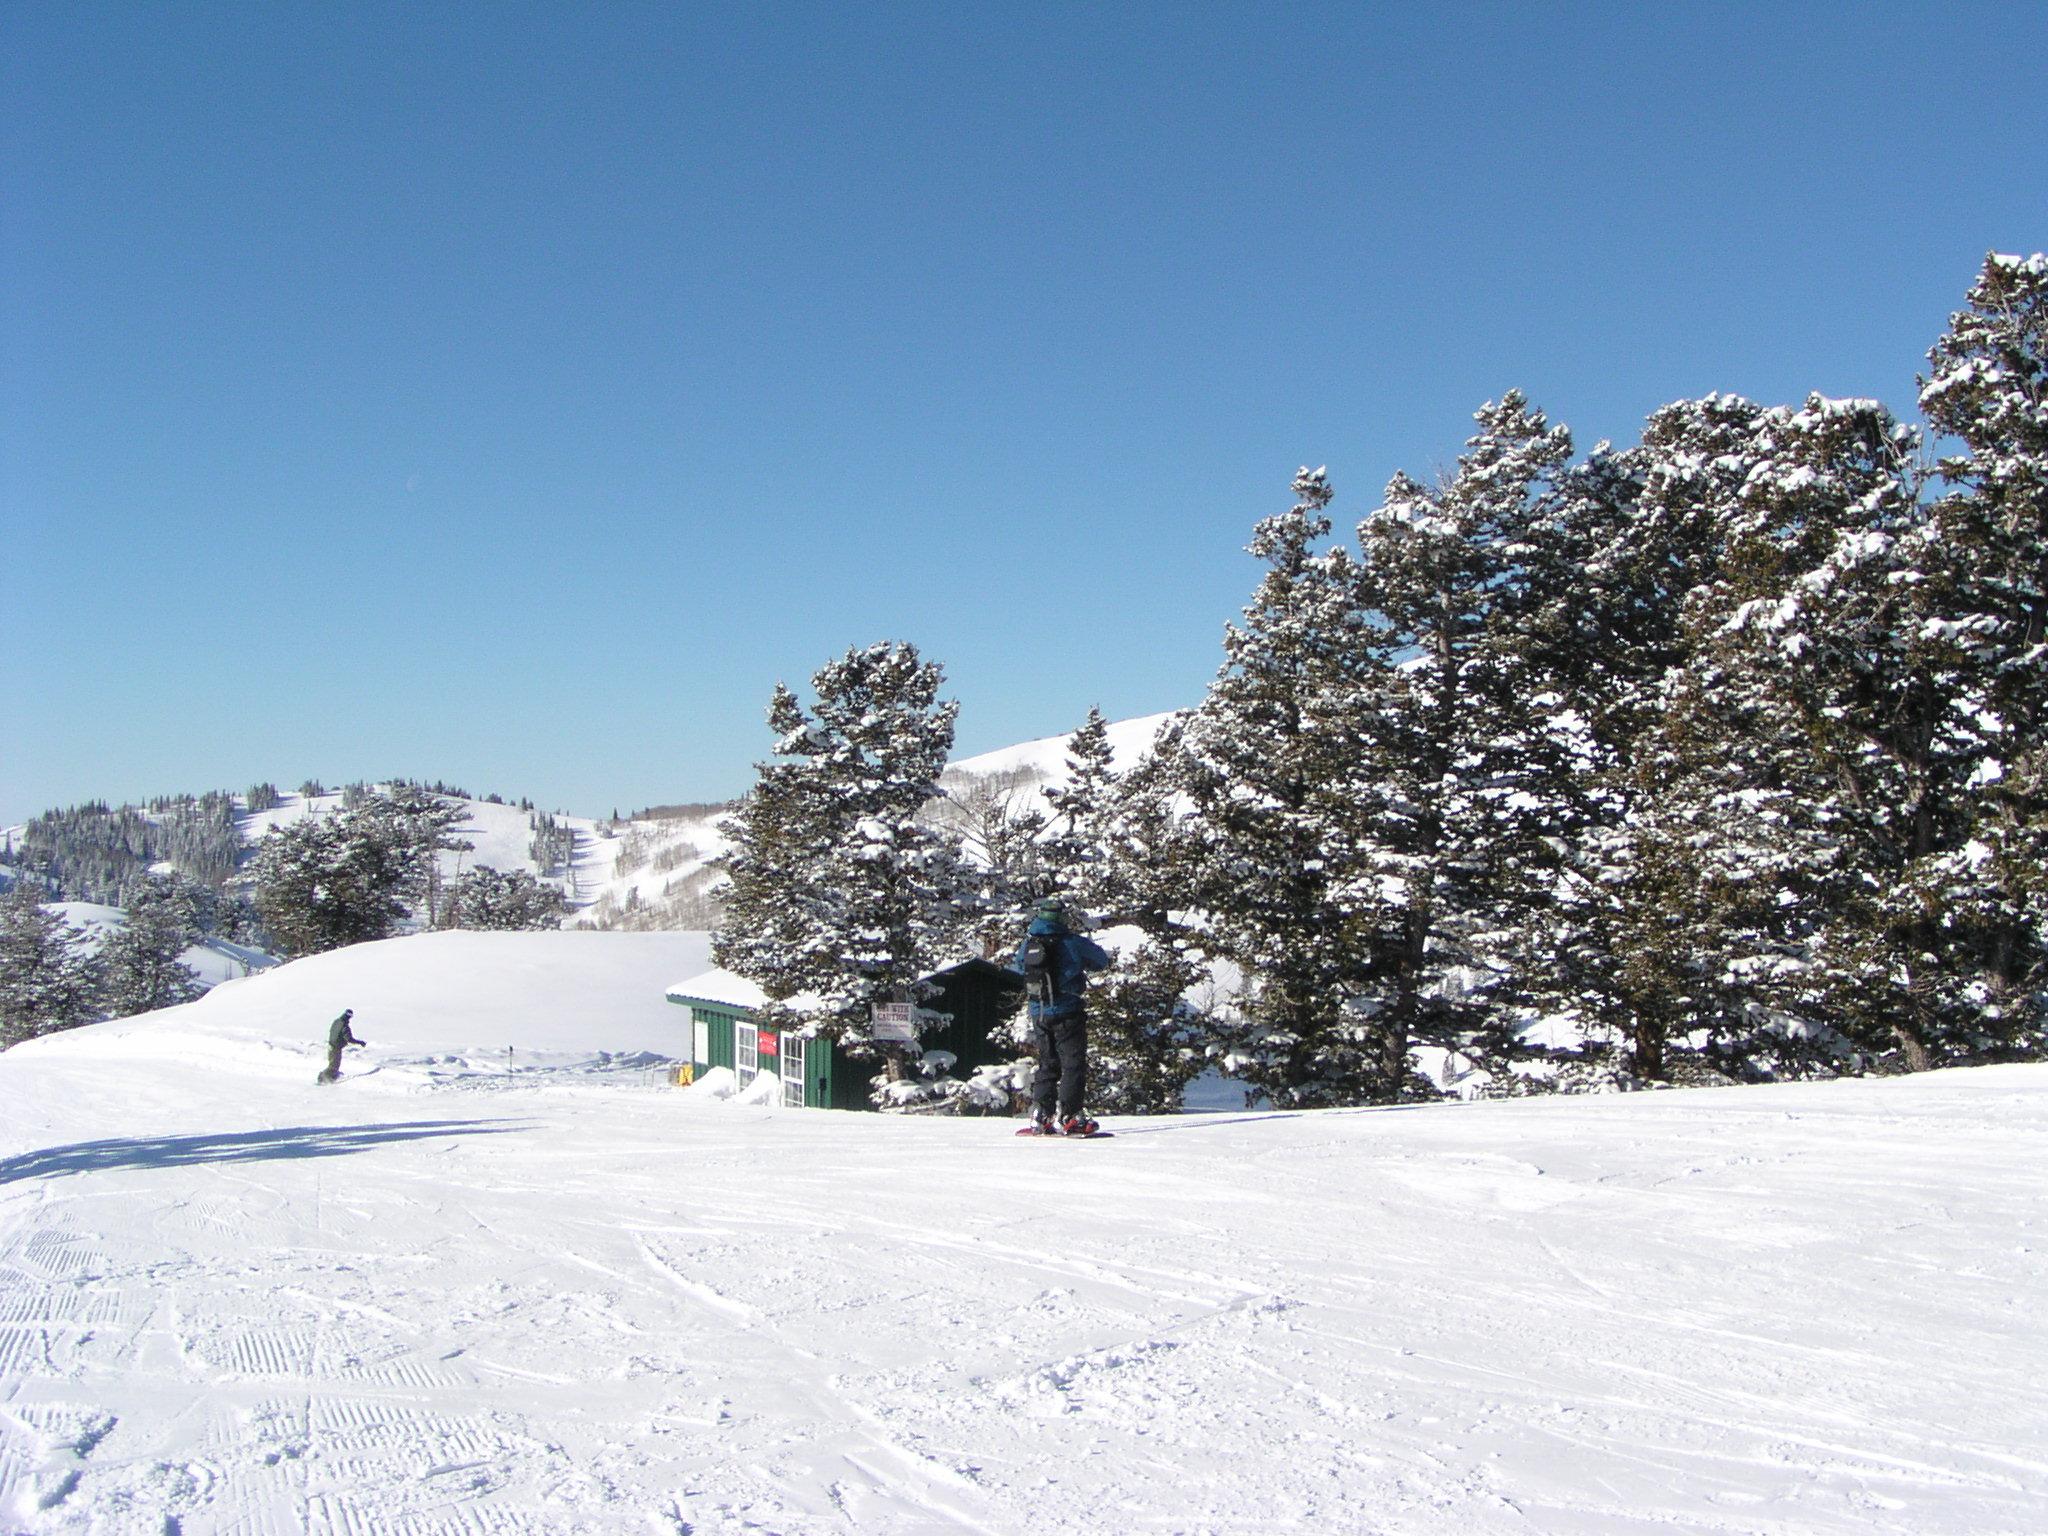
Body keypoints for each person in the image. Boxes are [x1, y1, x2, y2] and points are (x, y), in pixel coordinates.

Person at [1016, 896, 1111, 1134]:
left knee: (1047, 1063)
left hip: (1038, 1012)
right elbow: (1101, 960)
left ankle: (1041, 1115)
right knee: (1072, 1064)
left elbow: (1019, 966)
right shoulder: (1071, 942)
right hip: (1067, 1010)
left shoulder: (1029, 943)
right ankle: (1070, 1115)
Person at [320, 1008, 365, 1083]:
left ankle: (328, 1078)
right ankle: (324, 1079)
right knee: (334, 1066)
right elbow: (349, 1039)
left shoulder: (336, 1021)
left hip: (330, 1045)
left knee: (332, 1064)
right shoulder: (344, 1026)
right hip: (336, 1048)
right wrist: (360, 1042)